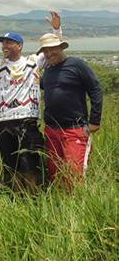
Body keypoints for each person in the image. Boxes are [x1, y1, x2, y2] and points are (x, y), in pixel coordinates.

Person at [0, 11, 62, 192]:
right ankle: (18, 199)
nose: (4, 46)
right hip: (5, 121)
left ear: (20, 46)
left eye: (8, 43)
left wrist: (56, 29)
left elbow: (53, 50)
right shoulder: (0, 65)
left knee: (30, 162)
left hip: (27, 120)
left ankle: (34, 197)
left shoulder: (33, 61)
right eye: (2, 43)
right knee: (11, 163)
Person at [38, 33, 103, 189]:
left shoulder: (76, 65)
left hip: (75, 129)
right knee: (55, 173)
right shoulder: (48, 71)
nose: (48, 54)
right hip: (52, 130)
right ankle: (60, 208)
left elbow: (95, 89)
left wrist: (95, 121)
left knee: (74, 175)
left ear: (61, 47)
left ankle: (78, 208)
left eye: (52, 49)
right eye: (45, 51)